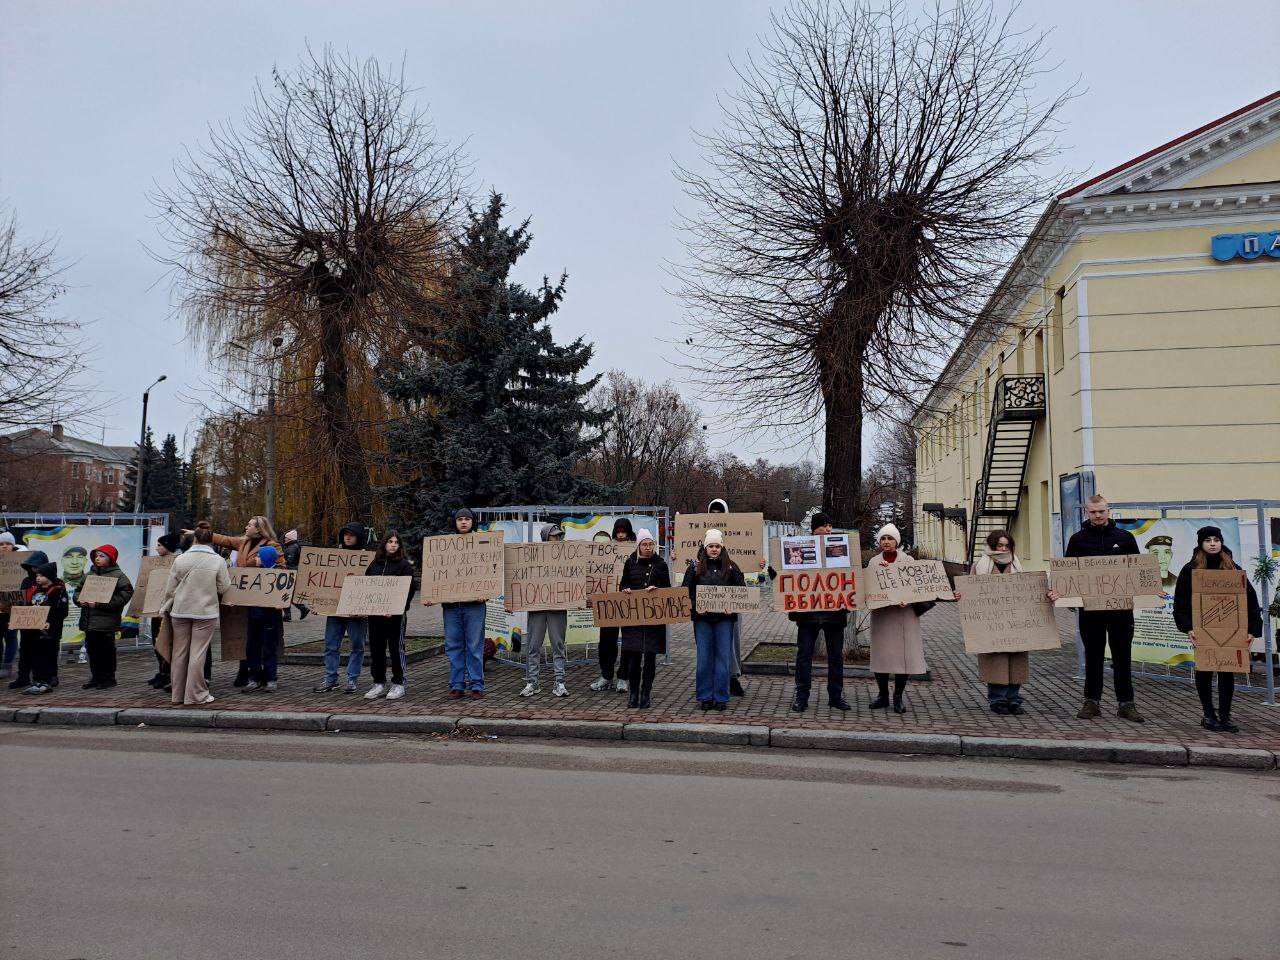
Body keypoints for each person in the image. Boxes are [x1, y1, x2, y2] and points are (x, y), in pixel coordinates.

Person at [1050, 495, 1146, 723]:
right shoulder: (1078, 540)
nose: (1098, 515)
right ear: (1087, 514)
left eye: (1101, 511)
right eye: (1093, 512)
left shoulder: (1125, 538)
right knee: (1092, 656)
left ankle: (1126, 704)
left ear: (1109, 511)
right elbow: (1068, 574)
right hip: (1091, 611)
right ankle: (1091, 702)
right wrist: (1059, 593)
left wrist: (1152, 591)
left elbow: (1139, 571)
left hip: (1121, 611)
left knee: (1122, 656)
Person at [1172, 526, 1262, 733]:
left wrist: (1252, 630)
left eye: (1216, 540)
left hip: (1229, 631)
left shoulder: (1231, 567)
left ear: (1221, 542)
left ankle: (1225, 716)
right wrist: (1188, 628)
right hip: (1203, 631)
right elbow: (1182, 603)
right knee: (1204, 671)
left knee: (1227, 673)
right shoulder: (1191, 569)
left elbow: (1249, 598)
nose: (1212, 543)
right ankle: (1208, 714)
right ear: (1201, 544)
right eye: (1208, 540)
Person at [198, 516, 284, 687]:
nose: (246, 527)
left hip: (266, 602)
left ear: (258, 529)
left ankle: (270, 677)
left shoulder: (272, 545)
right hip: (249, 602)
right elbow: (225, 540)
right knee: (251, 641)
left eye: (250, 525)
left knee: (268, 642)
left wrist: (261, 565)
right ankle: (253, 677)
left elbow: (282, 570)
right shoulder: (244, 543)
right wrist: (200, 534)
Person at [960, 530, 1032, 715]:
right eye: (999, 545)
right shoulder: (981, 565)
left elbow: (1026, 590)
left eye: (1006, 545)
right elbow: (971, 590)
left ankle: (1014, 699)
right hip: (991, 622)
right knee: (996, 661)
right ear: (992, 546)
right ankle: (997, 699)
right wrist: (961, 594)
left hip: (1014, 621)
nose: (1003, 549)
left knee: (1016, 660)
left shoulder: (1017, 564)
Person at [160, 524, 231, 706]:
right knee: (198, 653)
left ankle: (177, 695)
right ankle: (196, 694)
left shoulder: (181, 559)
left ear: (195, 539)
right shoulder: (218, 561)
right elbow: (224, 587)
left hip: (180, 610)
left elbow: (170, 587)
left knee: (179, 652)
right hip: (205, 611)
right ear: (211, 540)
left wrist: (166, 605)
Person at [789, 512, 851, 713]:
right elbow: (790, 573)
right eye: (825, 526)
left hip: (834, 612)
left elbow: (850, 574)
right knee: (804, 655)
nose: (829, 530)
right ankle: (801, 696)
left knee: (836, 657)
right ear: (815, 529)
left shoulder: (841, 547)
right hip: (808, 613)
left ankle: (835, 696)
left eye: (831, 526)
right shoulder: (800, 547)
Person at [867, 524, 928, 713]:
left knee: (904, 657)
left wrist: (908, 600)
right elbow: (869, 587)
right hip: (883, 615)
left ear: (897, 541)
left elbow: (917, 586)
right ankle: (883, 695)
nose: (886, 542)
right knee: (882, 656)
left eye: (890, 538)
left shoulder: (908, 560)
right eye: (883, 539)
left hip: (904, 616)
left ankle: (898, 696)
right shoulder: (873, 562)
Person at [683, 528, 744, 711]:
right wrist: (695, 605)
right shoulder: (694, 568)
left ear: (722, 547)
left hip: (725, 620)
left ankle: (721, 697)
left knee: (723, 658)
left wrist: (732, 605)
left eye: (717, 546)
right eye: (711, 546)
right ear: (705, 546)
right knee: (704, 658)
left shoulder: (732, 567)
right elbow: (685, 592)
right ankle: (705, 696)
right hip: (702, 620)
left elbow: (742, 591)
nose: (714, 549)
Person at [314, 522, 371, 694]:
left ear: (359, 537)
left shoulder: (367, 558)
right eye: (345, 534)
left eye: (352, 534)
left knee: (357, 645)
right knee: (331, 645)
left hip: (356, 611)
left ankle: (352, 679)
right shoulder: (335, 556)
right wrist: (318, 603)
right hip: (335, 609)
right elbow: (322, 583)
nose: (347, 537)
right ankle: (331, 679)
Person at [437, 508, 487, 700]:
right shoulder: (445, 546)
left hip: (475, 605)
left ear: (473, 522)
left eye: (467, 519)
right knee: (453, 645)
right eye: (460, 519)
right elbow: (438, 574)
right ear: (455, 522)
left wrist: (486, 593)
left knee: (474, 645)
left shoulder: (483, 545)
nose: (464, 522)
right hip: (451, 606)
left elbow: (490, 570)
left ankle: (476, 685)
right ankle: (457, 684)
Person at [619, 528, 670, 709]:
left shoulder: (661, 565)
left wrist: (657, 589)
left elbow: (668, 590)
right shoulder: (630, 563)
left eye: (650, 544)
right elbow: (623, 584)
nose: (648, 547)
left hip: (653, 621)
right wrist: (625, 590)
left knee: (650, 659)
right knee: (633, 658)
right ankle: (633, 693)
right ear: (639, 545)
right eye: (644, 544)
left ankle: (645, 693)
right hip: (634, 620)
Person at [364, 530, 416, 701]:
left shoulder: (404, 566)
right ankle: (378, 682)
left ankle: (398, 683)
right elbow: (367, 586)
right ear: (384, 544)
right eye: (390, 541)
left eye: (396, 542)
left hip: (395, 617)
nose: (393, 544)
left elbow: (409, 590)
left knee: (396, 649)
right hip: (375, 616)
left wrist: (397, 608)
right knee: (377, 649)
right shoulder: (374, 565)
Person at [706, 497, 750, 697]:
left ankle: (732, 677)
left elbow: (747, 559)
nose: (716, 518)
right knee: (708, 642)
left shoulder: (737, 537)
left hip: (730, 598)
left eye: (720, 514)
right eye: (712, 515)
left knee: (732, 640)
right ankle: (712, 679)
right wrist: (677, 557)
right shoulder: (706, 542)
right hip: (707, 602)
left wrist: (758, 562)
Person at [520, 523, 571, 699]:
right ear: (545, 538)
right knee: (533, 645)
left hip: (558, 607)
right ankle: (532, 682)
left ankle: (559, 682)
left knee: (558, 645)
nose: (557, 539)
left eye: (559, 536)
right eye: (553, 536)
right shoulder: (532, 557)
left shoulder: (567, 557)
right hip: (538, 607)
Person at [73, 545, 134, 689]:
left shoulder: (118, 575)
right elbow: (78, 591)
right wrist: (79, 600)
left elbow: (126, 593)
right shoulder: (89, 574)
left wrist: (102, 604)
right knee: (92, 650)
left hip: (107, 622)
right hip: (90, 621)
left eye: (102, 556)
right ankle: (96, 677)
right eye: (96, 556)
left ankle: (108, 678)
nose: (97, 558)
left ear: (110, 559)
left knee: (106, 651)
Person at [590, 517, 637, 693]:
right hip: (609, 602)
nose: (621, 534)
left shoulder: (636, 550)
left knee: (629, 642)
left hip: (628, 603)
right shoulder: (605, 550)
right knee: (606, 642)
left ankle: (623, 677)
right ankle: (606, 675)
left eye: (624, 531)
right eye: (618, 531)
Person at [18, 562, 68, 696]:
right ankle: (37, 681)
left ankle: (46, 681)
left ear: (49, 576)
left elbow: (61, 611)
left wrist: (50, 622)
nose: (37, 577)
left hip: (50, 631)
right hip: (35, 629)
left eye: (41, 575)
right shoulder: (37, 590)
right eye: (37, 575)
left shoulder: (58, 590)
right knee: (36, 656)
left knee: (47, 656)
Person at [146, 532, 183, 690]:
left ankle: (168, 672)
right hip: (156, 610)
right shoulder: (154, 563)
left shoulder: (177, 562)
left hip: (169, 611)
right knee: (156, 641)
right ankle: (161, 671)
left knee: (167, 642)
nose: (156, 548)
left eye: (160, 545)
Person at [8, 551, 49, 689]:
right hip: (26, 622)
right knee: (24, 650)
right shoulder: (26, 581)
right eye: (32, 567)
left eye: (36, 567)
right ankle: (23, 677)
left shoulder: (48, 582)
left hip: (40, 622)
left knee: (39, 652)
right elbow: (21, 601)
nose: (34, 569)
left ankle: (39, 679)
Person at [0, 531, 20, 679]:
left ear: (13, 546)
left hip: (12, 608)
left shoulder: (20, 562)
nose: (4, 546)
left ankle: (7, 666)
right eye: (1, 544)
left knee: (11, 637)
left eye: (8, 544)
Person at [282, 528, 309, 622]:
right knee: (288, 593)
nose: (284, 540)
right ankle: (294, 612)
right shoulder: (296, 546)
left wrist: (283, 565)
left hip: (290, 573)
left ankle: (295, 611)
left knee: (286, 593)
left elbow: (290, 561)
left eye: (286, 538)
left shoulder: (291, 548)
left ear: (289, 539)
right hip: (295, 572)